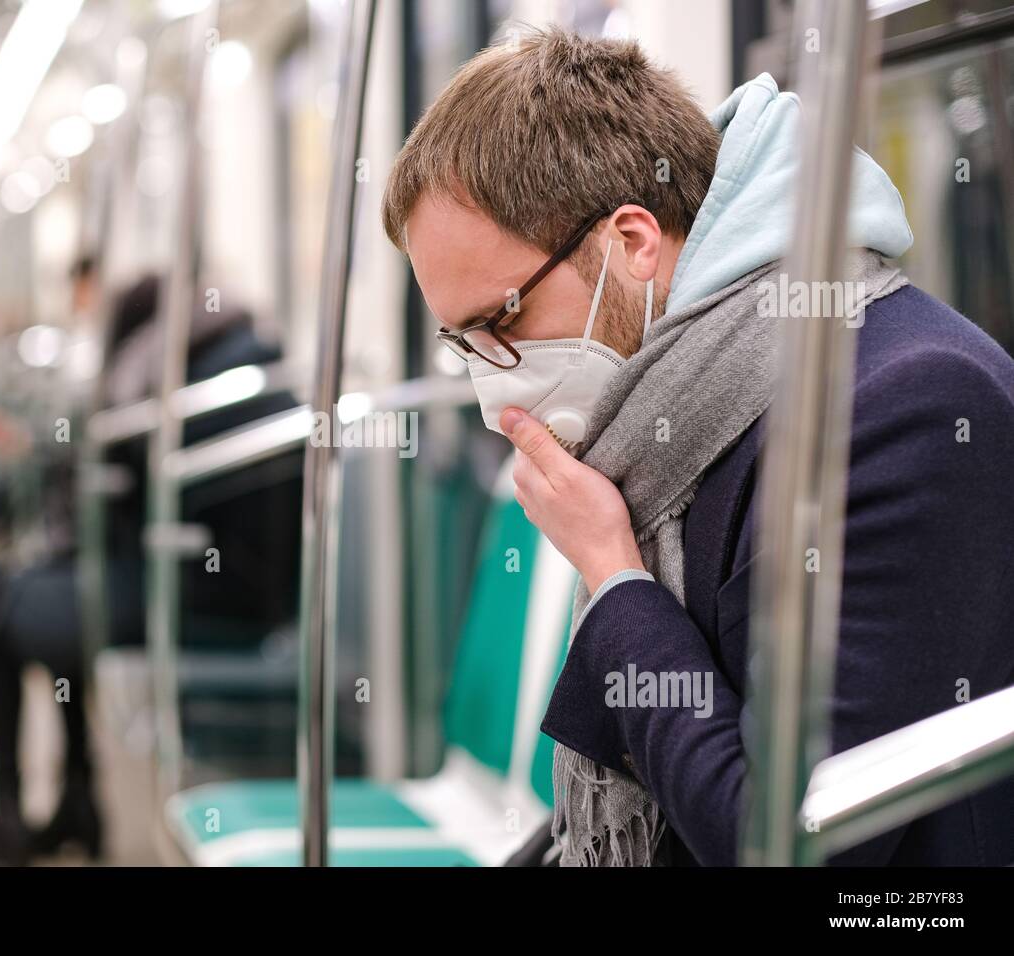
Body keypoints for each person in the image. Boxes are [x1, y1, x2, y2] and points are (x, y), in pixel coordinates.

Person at [382, 29, 1014, 866]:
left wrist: (614, 578)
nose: (492, 393)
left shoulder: (911, 406)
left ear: (633, 243)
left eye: (502, 321)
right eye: (464, 344)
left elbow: (780, 840)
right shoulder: (671, 418)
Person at [0, 267, 295, 866]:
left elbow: (161, 489)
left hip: (208, 588)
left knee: (1, 616)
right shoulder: (228, 359)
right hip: (192, 571)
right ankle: (74, 798)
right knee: (27, 600)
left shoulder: (215, 382)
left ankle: (19, 812)